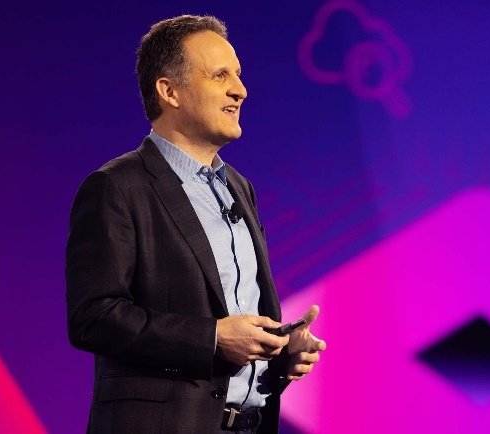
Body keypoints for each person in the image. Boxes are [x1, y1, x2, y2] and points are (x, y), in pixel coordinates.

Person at [66, 15, 325, 433]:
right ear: (169, 91)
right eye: (220, 75)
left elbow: (238, 320)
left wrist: (279, 353)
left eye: (237, 75)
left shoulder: (239, 187)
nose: (240, 90)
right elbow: (94, 317)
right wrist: (213, 338)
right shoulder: (117, 187)